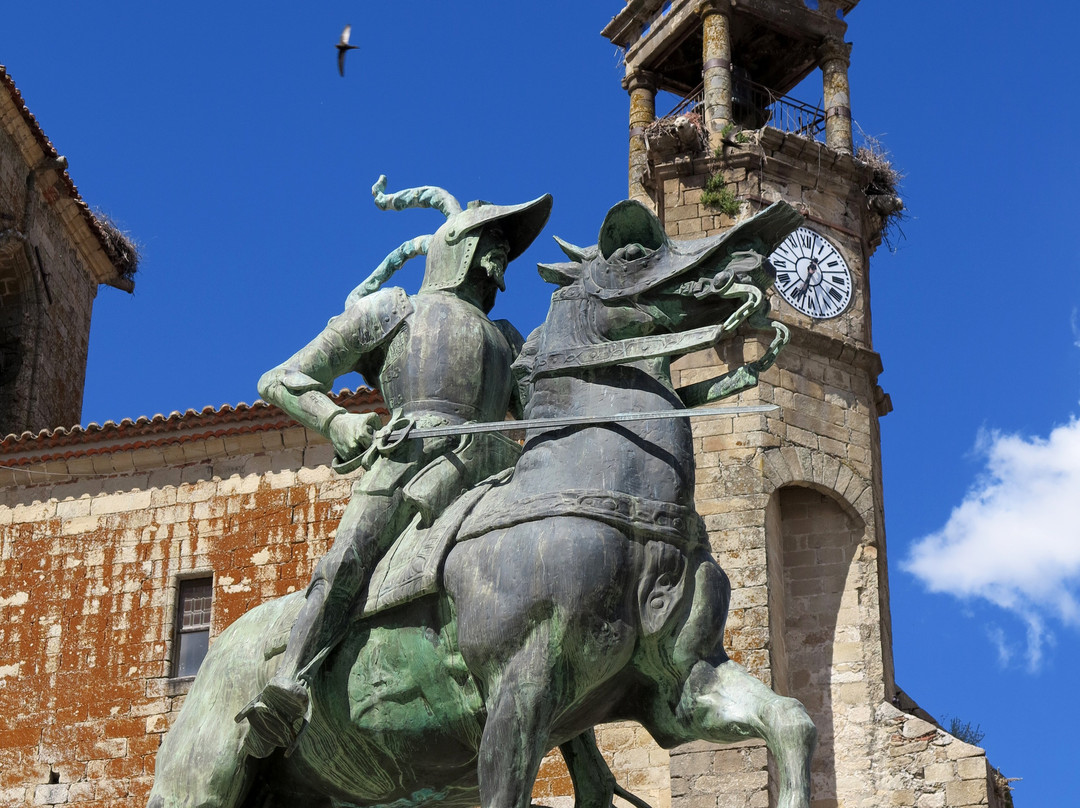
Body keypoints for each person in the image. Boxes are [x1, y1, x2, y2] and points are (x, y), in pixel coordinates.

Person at [236, 178, 552, 753]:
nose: (501, 254)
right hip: (411, 459)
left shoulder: (510, 339)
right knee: (348, 558)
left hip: (496, 469)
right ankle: (289, 681)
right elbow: (281, 379)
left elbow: (544, 424)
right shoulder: (391, 310)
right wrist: (338, 422)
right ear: (458, 248)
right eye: (491, 240)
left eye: (505, 244)